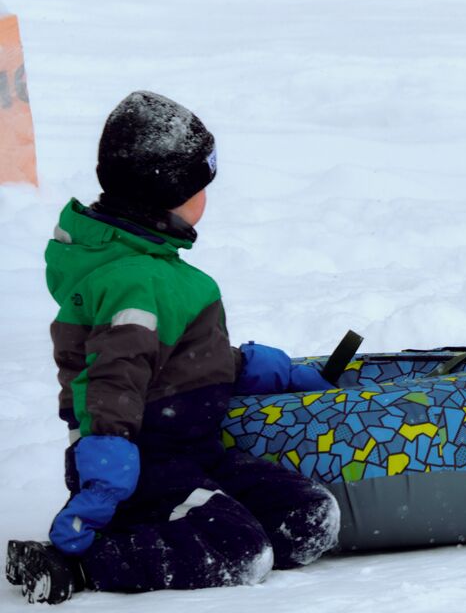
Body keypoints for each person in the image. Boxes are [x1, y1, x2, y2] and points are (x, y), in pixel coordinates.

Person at [6, 91, 340, 605]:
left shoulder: (159, 270)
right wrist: (107, 464)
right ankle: (81, 566)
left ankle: (201, 526)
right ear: (170, 194)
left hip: (196, 455)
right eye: (202, 183)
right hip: (136, 466)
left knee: (308, 515)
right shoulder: (134, 281)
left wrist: (260, 369)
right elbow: (113, 375)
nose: (207, 194)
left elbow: (177, 361)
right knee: (240, 551)